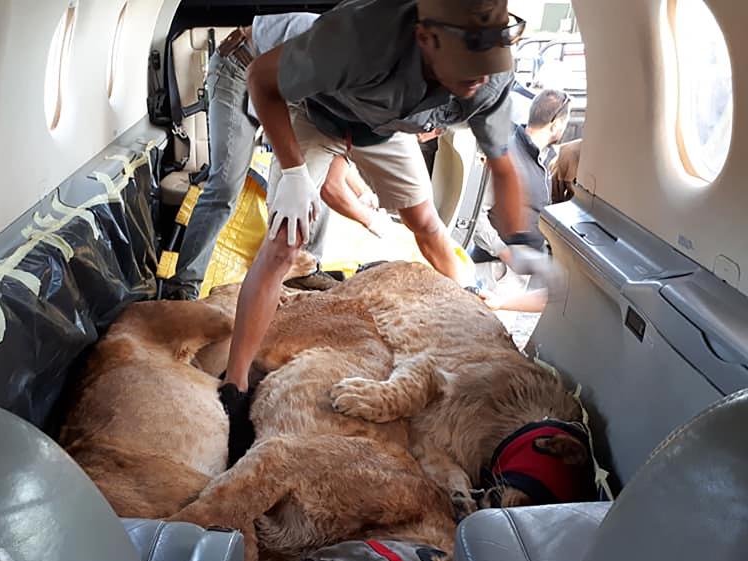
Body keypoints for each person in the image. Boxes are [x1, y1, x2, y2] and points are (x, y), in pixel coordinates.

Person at [219, 0, 546, 452]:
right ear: (427, 37)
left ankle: (470, 314)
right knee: (284, 244)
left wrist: (523, 239)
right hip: (316, 111)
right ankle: (233, 388)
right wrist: (293, 173)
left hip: (382, 128)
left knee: (427, 223)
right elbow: (261, 80)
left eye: (488, 68)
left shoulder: (488, 80)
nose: (481, 80)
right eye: (470, 70)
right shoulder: (358, 38)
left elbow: (504, 166)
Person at [163, 13, 390, 299]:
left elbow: (330, 149)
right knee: (225, 185)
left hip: (287, 89)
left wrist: (362, 190)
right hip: (240, 68)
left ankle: (303, 269)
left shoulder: (368, 77)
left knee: (311, 174)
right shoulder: (341, 52)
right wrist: (369, 219)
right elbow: (333, 185)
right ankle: (184, 283)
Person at [472, 88, 571, 311]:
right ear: (555, 125)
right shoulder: (507, 156)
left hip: (517, 273)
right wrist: (504, 252)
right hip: (499, 272)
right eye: (565, 123)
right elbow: (476, 215)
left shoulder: (544, 158)